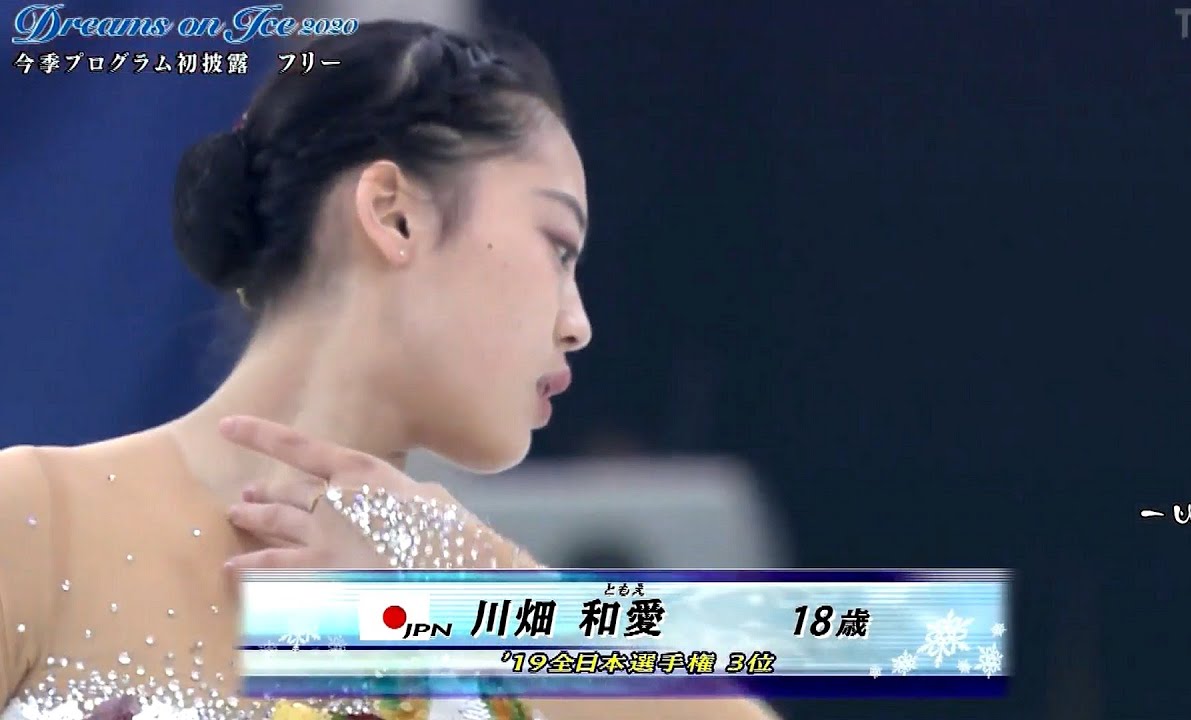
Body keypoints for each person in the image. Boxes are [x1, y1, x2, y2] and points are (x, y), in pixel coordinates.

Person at [0, 21, 776, 720]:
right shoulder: (40, 520)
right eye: (558, 246)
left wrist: (468, 575)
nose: (578, 324)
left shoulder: (465, 614)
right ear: (393, 214)